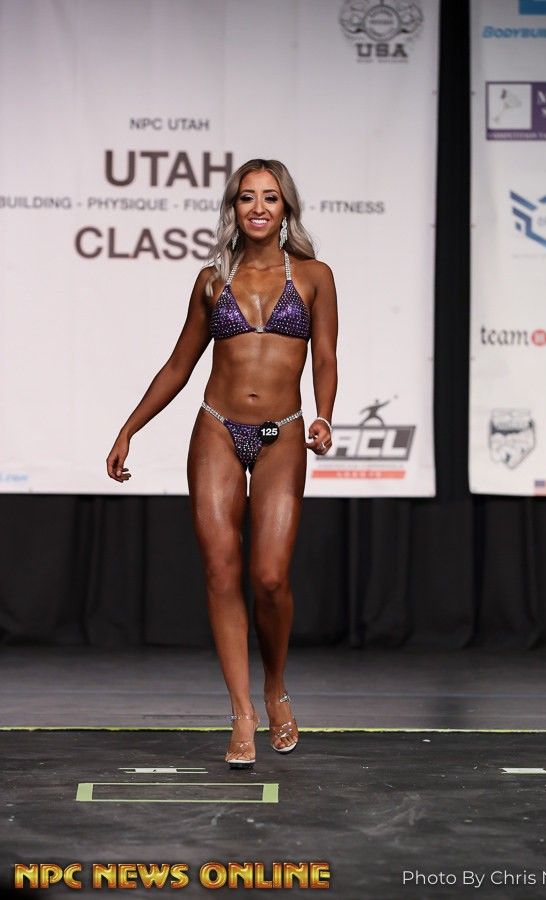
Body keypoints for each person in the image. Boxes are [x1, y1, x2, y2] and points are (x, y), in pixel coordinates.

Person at [106, 158, 338, 768]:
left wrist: (325, 415)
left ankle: (275, 687)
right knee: (219, 570)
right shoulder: (212, 281)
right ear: (233, 207)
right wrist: (129, 428)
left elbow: (325, 357)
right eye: (246, 197)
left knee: (270, 578)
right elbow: (178, 365)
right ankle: (241, 710)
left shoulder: (314, 276)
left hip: (284, 433)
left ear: (286, 207)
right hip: (217, 429)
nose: (258, 207)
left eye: (270, 197)